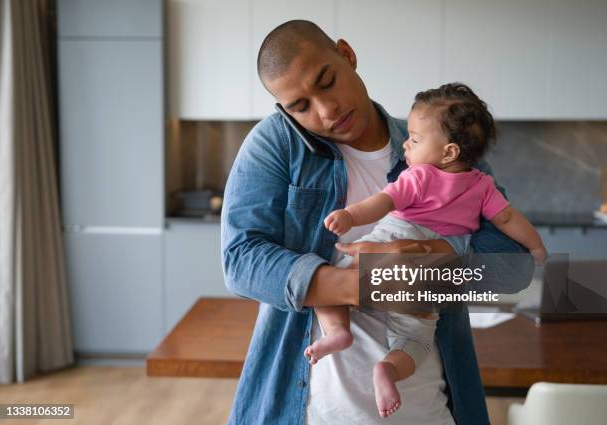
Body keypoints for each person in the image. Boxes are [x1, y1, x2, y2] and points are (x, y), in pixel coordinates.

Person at [221, 20, 534, 425]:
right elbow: (241, 261)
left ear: (347, 55)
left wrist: (432, 255)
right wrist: (368, 283)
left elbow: (512, 268)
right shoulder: (277, 143)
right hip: (311, 412)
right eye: (300, 106)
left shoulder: (437, 143)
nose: (326, 110)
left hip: (429, 406)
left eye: (327, 81)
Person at [305, 82, 547, 418]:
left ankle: (338, 332)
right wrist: (535, 246)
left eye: (415, 139)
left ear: (448, 152)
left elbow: (382, 202)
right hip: (433, 268)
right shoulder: (482, 185)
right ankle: (387, 370)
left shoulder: (418, 177)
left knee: (322, 285)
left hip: (391, 240)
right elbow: (508, 219)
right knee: (416, 339)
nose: (405, 142)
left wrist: (349, 215)